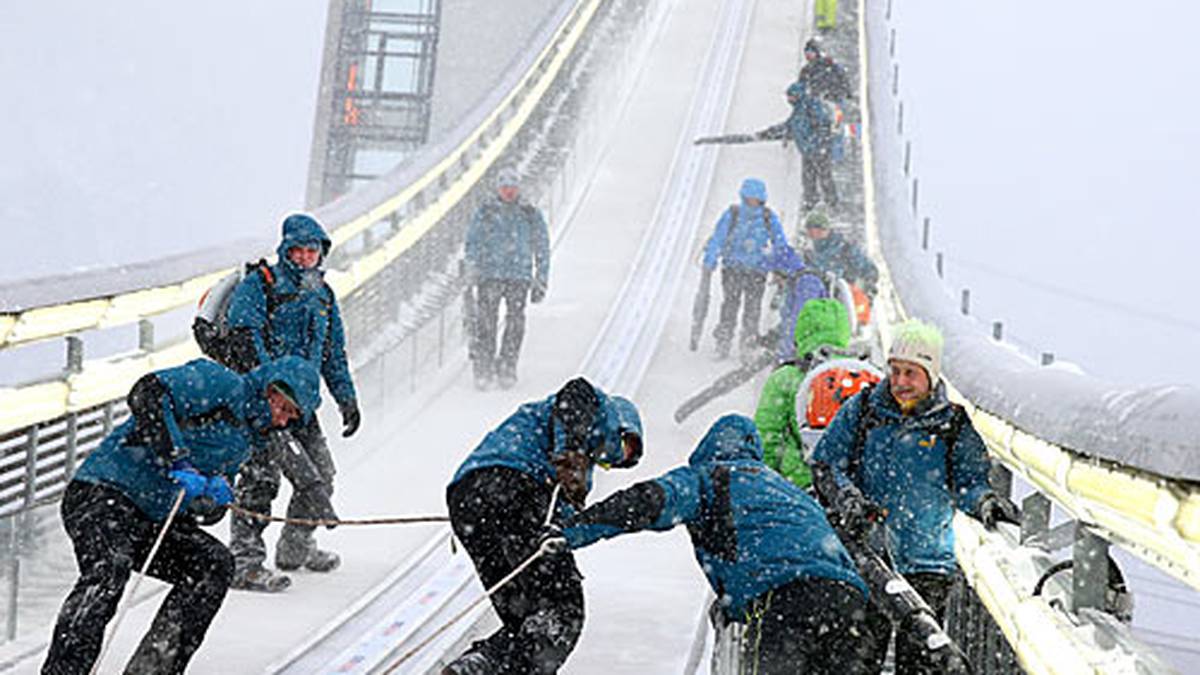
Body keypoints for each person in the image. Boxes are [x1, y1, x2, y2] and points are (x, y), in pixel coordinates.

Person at [42, 356, 321, 675]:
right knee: (110, 568)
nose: (283, 421)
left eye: (292, 417)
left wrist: (211, 499)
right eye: (283, 408)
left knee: (212, 564)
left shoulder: (246, 442)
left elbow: (202, 514)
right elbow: (147, 393)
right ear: (269, 391)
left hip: (152, 516)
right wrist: (175, 457)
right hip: (103, 492)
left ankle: (154, 669)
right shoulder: (220, 383)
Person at [549, 415, 875, 674]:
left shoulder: (708, 477)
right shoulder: (786, 488)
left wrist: (570, 532)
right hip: (848, 605)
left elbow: (645, 502)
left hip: (781, 601)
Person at [811, 319, 1020, 674]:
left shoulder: (952, 425)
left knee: (920, 665)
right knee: (857, 661)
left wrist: (985, 501)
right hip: (868, 560)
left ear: (932, 375)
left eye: (911, 373)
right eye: (895, 371)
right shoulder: (863, 410)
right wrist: (848, 499)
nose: (901, 382)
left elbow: (967, 481)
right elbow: (827, 464)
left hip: (928, 566)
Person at [442, 377, 643, 674]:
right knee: (563, 612)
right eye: (625, 448)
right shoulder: (597, 407)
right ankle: (488, 668)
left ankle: (476, 667)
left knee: (526, 620)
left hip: (468, 502)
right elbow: (576, 392)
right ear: (623, 426)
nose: (611, 460)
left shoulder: (549, 437)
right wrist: (572, 454)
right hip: (513, 487)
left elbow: (557, 514)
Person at [223, 213, 361, 591]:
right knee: (259, 480)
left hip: (302, 406)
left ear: (321, 253)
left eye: (311, 251)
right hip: (264, 404)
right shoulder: (260, 286)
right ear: (286, 250)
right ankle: (244, 561)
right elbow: (242, 337)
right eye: (297, 251)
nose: (304, 258)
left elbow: (334, 354)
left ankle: (296, 548)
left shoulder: (323, 296)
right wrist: (268, 389)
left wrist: (346, 399)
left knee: (320, 475)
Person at [464, 168, 551, 390]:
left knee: (515, 323)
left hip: (518, 277)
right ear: (498, 189)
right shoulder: (486, 212)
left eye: (512, 188)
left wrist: (541, 278)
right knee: (486, 323)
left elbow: (542, 246)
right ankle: (484, 368)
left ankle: (507, 367)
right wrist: (472, 266)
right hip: (489, 275)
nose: (509, 192)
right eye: (505, 188)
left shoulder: (529, 214)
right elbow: (472, 241)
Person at [753, 298, 851, 489]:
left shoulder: (787, 377)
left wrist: (764, 485)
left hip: (797, 486)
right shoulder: (860, 375)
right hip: (846, 491)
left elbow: (767, 437)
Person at [701, 177, 794, 359]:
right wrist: (710, 260)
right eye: (749, 198)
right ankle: (724, 341)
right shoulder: (733, 215)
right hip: (733, 268)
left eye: (756, 199)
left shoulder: (768, 218)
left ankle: (747, 344)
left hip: (757, 271)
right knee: (730, 306)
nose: (753, 202)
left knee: (752, 308)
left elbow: (780, 243)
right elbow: (718, 238)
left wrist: (783, 265)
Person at [759, 82, 838, 211]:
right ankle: (811, 203)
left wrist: (816, 143)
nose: (788, 100)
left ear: (798, 95)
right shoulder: (799, 110)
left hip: (817, 150)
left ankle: (831, 203)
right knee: (809, 178)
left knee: (824, 177)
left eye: (790, 97)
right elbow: (788, 126)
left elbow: (823, 125)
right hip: (808, 151)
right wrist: (767, 133)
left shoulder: (811, 106)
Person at [803, 210, 878, 296]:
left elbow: (870, 271)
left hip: (842, 302)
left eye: (819, 229)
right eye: (810, 230)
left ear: (827, 229)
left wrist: (863, 289)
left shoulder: (846, 249)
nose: (815, 234)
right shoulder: (806, 254)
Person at [798, 38, 853, 105]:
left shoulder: (829, 64)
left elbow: (842, 77)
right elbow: (801, 86)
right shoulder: (806, 70)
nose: (808, 55)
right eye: (806, 53)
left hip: (833, 98)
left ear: (816, 52)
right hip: (817, 101)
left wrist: (847, 92)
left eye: (810, 52)